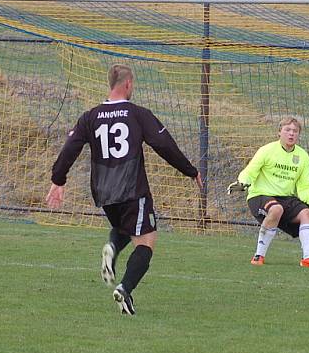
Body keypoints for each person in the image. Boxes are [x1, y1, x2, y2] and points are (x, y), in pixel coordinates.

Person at [46, 64, 202, 316]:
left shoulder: (90, 116)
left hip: (104, 192)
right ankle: (125, 288)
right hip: (132, 189)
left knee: (125, 229)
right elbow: (163, 144)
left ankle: (113, 248)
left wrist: (58, 180)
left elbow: (69, 148)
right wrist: (190, 170)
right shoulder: (137, 114)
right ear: (128, 84)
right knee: (147, 241)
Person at [227, 116, 309, 268]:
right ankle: (259, 256)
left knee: (307, 213)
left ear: (299, 134)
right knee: (276, 209)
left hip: (285, 198)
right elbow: (250, 171)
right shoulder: (267, 150)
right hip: (260, 195)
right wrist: (242, 183)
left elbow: (304, 187)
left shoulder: (302, 156)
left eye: (295, 131)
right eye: (287, 130)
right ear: (279, 132)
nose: (291, 134)